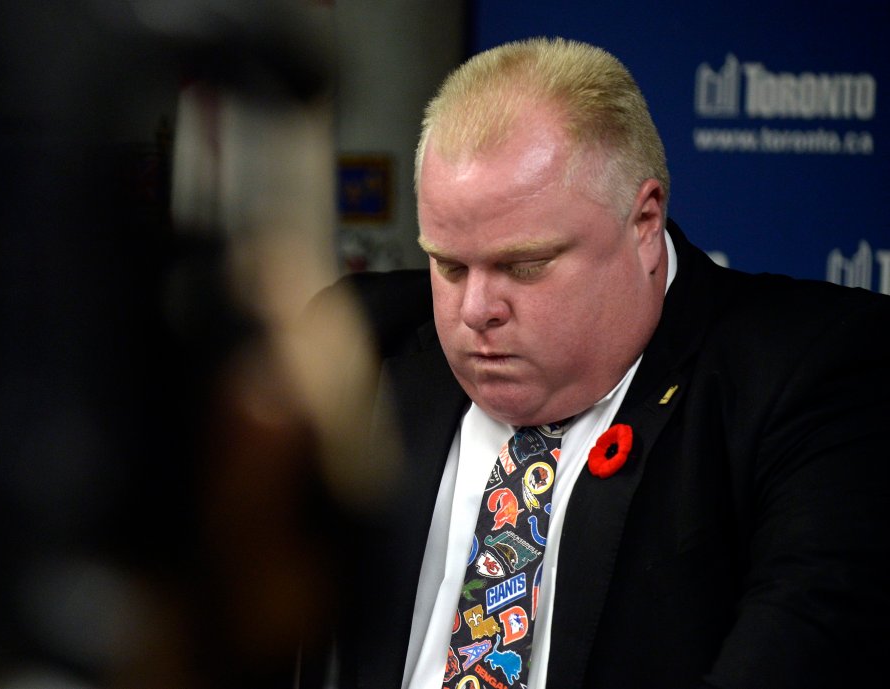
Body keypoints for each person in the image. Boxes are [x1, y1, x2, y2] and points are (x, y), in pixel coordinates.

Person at [305, 37, 890, 689]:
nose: (475, 308)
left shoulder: (809, 370)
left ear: (643, 223)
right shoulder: (358, 346)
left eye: (523, 266)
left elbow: (799, 646)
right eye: (449, 264)